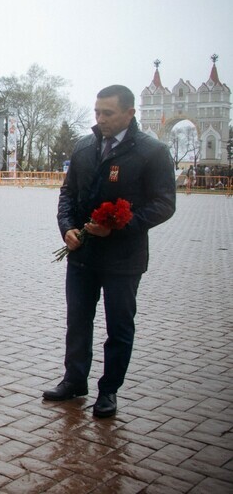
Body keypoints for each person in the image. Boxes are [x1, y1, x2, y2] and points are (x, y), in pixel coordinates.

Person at [45, 84, 175, 418]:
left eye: (108, 113)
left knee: (119, 326)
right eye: (97, 112)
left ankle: (109, 390)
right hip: (83, 255)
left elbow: (164, 204)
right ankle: (74, 380)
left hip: (124, 258)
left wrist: (120, 225)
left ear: (130, 113)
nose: (100, 119)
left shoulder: (152, 151)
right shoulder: (85, 146)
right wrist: (67, 228)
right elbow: (67, 193)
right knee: (77, 321)